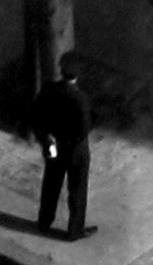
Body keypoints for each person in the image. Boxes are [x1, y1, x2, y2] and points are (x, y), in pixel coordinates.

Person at [35, 54, 96, 239]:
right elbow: (86, 127)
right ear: (78, 75)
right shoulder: (81, 99)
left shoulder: (48, 91)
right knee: (77, 191)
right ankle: (74, 230)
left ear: (61, 70)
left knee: (50, 186)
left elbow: (37, 116)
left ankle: (44, 222)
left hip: (54, 147)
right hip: (76, 151)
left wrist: (46, 138)